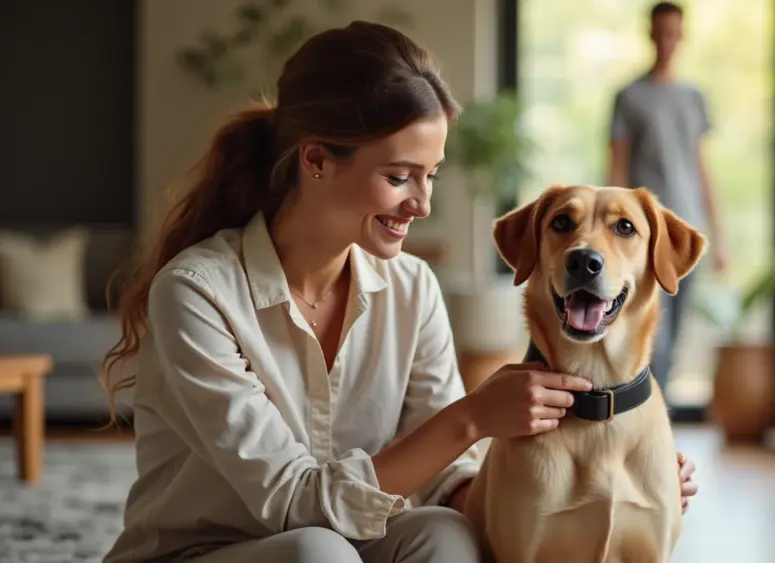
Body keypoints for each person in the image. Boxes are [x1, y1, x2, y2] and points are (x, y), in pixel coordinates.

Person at [101, 22, 699, 563]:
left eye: (430, 175)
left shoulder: (411, 288)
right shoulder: (196, 294)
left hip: (346, 540)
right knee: (318, 555)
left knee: (445, 534)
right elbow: (293, 502)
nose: (423, 203)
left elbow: (447, 484)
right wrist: (471, 418)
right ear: (316, 160)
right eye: (398, 176)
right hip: (206, 552)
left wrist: (613, 488)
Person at [608, 1, 728, 391]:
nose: (667, 40)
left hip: (686, 229)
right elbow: (618, 169)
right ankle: (642, 412)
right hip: (646, 231)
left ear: (682, 36)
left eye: (674, 33)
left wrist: (719, 234)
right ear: (650, 33)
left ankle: (657, 420)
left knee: (674, 335)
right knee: (651, 329)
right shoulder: (629, 96)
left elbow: (701, 168)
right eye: (661, 32)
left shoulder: (694, 97)